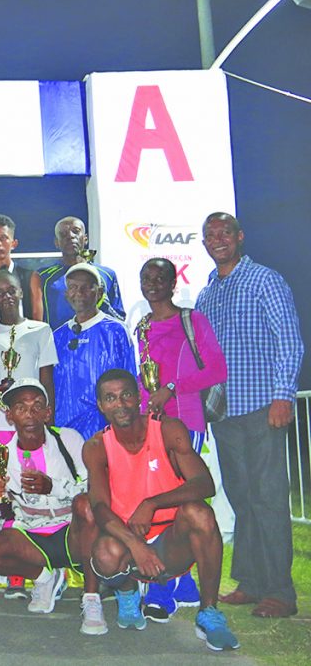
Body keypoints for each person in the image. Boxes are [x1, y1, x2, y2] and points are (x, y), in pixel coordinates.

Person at [195, 212, 303, 620]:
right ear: (204, 243)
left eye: (225, 232)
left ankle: (280, 590)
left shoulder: (265, 280)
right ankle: (253, 581)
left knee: (269, 500)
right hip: (224, 414)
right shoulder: (209, 292)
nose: (218, 240)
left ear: (239, 237)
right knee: (243, 501)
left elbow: (289, 341)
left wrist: (283, 396)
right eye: (210, 235)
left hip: (262, 408)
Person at [84, 369, 240, 651]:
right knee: (105, 553)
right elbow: (100, 508)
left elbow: (205, 484)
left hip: (172, 541)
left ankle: (209, 613)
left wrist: (152, 503)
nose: (120, 404)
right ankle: (128, 593)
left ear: (138, 398)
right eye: (110, 398)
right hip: (130, 543)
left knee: (200, 513)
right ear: (100, 405)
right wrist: (135, 544)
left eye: (126, 395)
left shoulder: (168, 430)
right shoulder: (96, 446)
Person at [0, 379, 103, 635]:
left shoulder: (68, 439)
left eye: (37, 406)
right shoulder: (1, 455)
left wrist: (52, 487)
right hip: (31, 538)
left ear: (48, 412)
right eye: (21, 407)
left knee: (86, 506)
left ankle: (91, 599)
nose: (29, 414)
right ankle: (44, 578)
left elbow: (94, 491)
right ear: (9, 416)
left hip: (71, 532)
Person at [136, 256, 227, 620]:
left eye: (161, 277)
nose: (153, 282)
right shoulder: (141, 326)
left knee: (179, 497)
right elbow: (143, 379)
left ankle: (162, 585)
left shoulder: (191, 320)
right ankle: (183, 580)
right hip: (151, 424)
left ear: (174, 283)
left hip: (185, 420)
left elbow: (217, 368)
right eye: (147, 277)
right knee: (158, 496)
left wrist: (172, 389)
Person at [0, 268, 58, 599]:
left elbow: (46, 376)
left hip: (29, 419)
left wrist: (47, 416)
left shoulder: (40, 330)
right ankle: (14, 567)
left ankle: (43, 560)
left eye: (10, 290)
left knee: (30, 485)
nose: (5, 297)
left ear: (21, 292)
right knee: (2, 489)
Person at [52, 263, 136, 440]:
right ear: (66, 294)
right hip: (65, 429)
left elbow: (130, 380)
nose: (79, 293)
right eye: (73, 287)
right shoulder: (57, 336)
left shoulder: (116, 331)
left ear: (99, 293)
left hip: (106, 429)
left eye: (87, 287)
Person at [38, 216, 125, 327]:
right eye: (63, 234)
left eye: (76, 231)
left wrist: (103, 304)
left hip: (98, 343)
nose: (70, 236)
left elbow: (120, 320)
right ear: (56, 242)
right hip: (58, 343)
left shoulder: (107, 275)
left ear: (85, 238)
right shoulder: (43, 277)